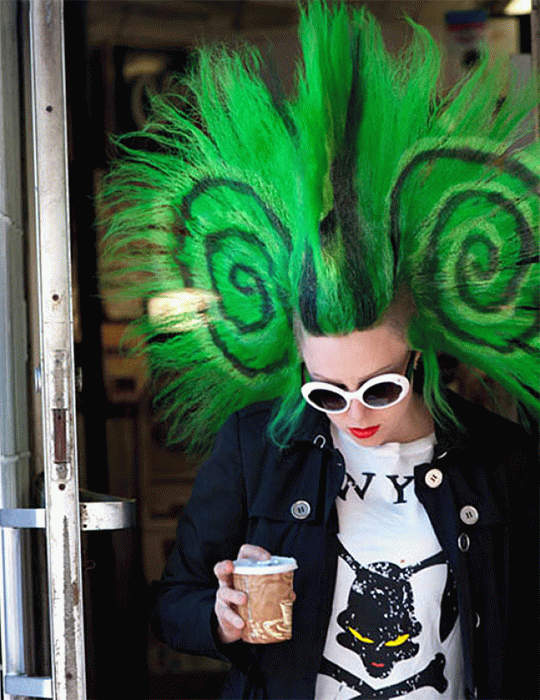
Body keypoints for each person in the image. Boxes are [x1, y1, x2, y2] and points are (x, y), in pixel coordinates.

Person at [99, 3, 539, 698]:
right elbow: (172, 604)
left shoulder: (501, 459)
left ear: (418, 354)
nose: (353, 414)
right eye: (325, 392)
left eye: (380, 388)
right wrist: (221, 616)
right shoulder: (256, 450)